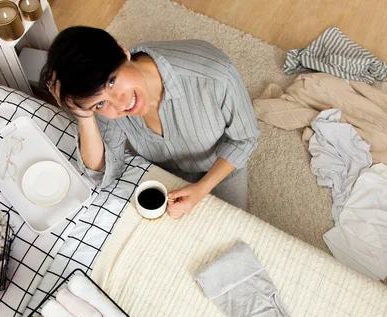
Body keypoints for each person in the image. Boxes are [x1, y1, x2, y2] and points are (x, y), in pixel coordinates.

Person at [42, 26, 260, 219]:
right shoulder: (102, 106)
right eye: (99, 104)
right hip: (166, 173)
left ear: (122, 51)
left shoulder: (214, 74)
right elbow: (104, 171)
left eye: (112, 82)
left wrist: (202, 188)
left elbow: (244, 139)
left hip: (222, 166)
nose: (120, 105)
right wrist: (84, 115)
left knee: (233, 226)